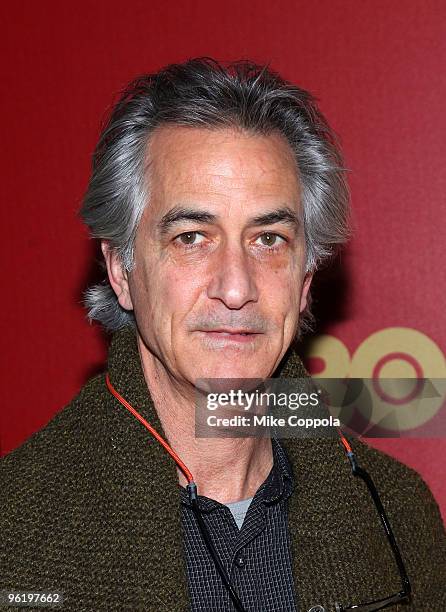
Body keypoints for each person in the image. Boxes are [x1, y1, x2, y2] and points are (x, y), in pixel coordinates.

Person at [1, 58, 445, 612]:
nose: (236, 289)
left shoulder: (401, 519)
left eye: (269, 239)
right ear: (121, 270)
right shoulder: (14, 531)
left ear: (306, 280)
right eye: (192, 237)